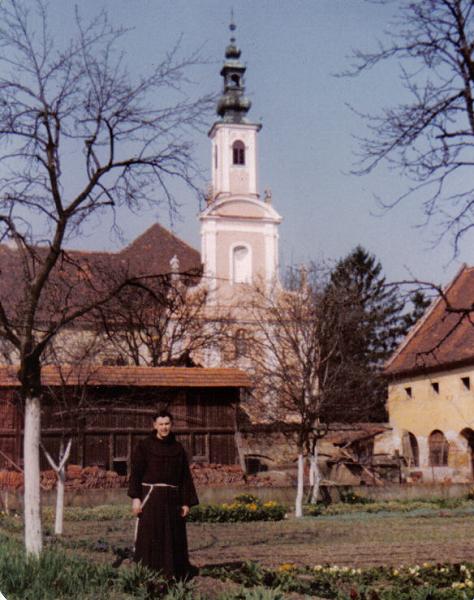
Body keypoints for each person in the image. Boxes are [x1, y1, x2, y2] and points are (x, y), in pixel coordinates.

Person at [128, 410, 198, 579]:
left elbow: (184, 477)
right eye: (161, 424)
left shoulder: (178, 447)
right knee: (151, 535)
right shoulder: (144, 446)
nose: (164, 427)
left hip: (173, 500)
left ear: (171, 424)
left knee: (173, 536)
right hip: (151, 498)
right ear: (155, 425)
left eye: (167, 424)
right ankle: (147, 573)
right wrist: (136, 499)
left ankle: (173, 572)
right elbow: (136, 473)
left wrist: (186, 502)